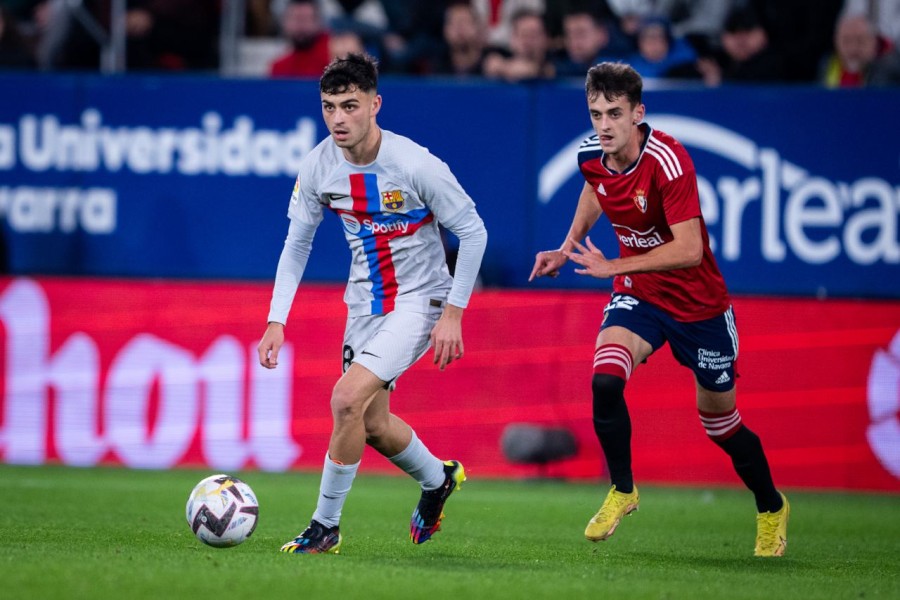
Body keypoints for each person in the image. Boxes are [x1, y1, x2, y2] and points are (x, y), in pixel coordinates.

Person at [529, 61, 790, 557]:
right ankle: (622, 489)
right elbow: (595, 187)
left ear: (638, 113)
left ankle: (771, 506)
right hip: (641, 293)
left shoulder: (668, 161)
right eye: (595, 114)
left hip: (698, 306)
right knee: (605, 379)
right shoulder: (591, 154)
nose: (604, 125)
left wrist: (613, 265)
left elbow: (690, 250)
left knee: (721, 425)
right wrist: (567, 248)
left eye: (614, 113)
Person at [258, 52, 488, 554]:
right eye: (329, 107)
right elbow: (296, 245)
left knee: (344, 399)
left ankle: (325, 527)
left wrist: (453, 312)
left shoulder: (416, 164)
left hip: (420, 299)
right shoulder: (318, 167)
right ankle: (438, 479)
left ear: (375, 104)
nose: (338, 118)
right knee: (372, 425)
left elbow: (473, 232)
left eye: (350, 105)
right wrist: (276, 319)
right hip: (364, 304)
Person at [483, 8, 555, 82]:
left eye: (534, 35)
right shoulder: (499, 59)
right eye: (523, 34)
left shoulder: (556, 64)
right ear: (512, 39)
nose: (528, 41)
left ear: (546, 39)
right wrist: (504, 68)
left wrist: (537, 70)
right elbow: (492, 64)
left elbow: (550, 71)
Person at [269, 0, 332, 78]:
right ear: (284, 23)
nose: (301, 26)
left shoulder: (333, 56)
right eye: (296, 19)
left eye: (305, 19)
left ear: (318, 22)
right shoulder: (279, 68)